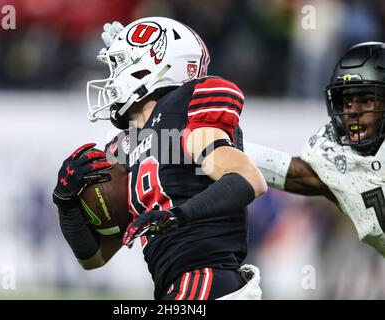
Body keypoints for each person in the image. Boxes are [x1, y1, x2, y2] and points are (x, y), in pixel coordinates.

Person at [52, 17, 267, 300]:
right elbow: (94, 258)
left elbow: (248, 179)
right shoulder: (127, 145)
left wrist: (177, 216)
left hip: (206, 280)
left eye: (119, 64)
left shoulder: (183, 110)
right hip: (179, 286)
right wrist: (65, 204)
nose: (113, 77)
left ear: (151, 66)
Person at [244, 42, 385, 257]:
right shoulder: (344, 162)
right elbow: (293, 173)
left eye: (366, 100)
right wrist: (215, 147)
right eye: (346, 102)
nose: (352, 112)